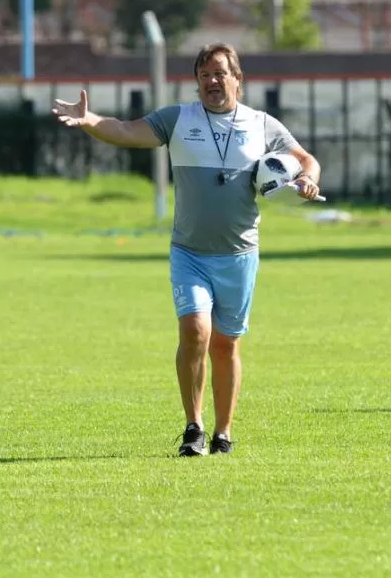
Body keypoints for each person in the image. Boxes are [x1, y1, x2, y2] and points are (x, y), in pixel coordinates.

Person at [52, 43, 321, 457]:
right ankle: (193, 427)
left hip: (239, 254)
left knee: (226, 345)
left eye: (220, 73)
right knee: (195, 332)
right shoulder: (178, 119)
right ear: (196, 82)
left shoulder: (261, 124)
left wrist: (307, 180)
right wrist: (88, 120)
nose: (212, 81)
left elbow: (306, 159)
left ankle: (223, 432)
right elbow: (125, 131)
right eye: (204, 75)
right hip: (190, 253)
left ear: (237, 79)